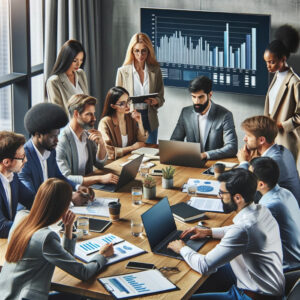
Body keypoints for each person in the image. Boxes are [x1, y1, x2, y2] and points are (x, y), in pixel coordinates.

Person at [167, 168, 284, 299]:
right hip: (266, 286)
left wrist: (182, 248)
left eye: (222, 193)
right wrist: (209, 232)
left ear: (238, 198)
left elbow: (204, 266)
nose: (219, 196)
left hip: (251, 296)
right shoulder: (261, 210)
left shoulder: (242, 230)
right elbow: (240, 231)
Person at [0, 178, 114, 300]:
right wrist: (102, 255)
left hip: (7, 295)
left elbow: (67, 259)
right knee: (88, 296)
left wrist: (68, 228)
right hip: (25, 297)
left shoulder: (21, 217)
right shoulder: (45, 239)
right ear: (62, 208)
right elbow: (83, 273)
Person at [18, 103, 93, 206]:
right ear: (37, 135)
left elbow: (58, 176)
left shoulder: (50, 150)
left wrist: (77, 187)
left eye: (58, 135)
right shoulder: (23, 159)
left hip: (51, 209)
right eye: (52, 136)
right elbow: (32, 200)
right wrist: (69, 200)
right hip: (31, 214)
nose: (57, 140)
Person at [250, 156, 300, 271]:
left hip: (287, 269)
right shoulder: (285, 192)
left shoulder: (269, 206)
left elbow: (245, 231)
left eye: (249, 177)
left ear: (261, 185)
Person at [56, 94, 119, 186]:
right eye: (89, 114)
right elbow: (65, 178)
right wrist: (99, 178)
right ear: (76, 114)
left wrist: (101, 143)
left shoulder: (87, 134)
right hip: (72, 191)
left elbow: (100, 164)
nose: (94, 118)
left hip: (88, 187)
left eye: (93, 114)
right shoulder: (61, 141)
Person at [171, 76, 238, 160]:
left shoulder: (225, 115)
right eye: (193, 97)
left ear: (210, 95)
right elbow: (174, 140)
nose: (196, 102)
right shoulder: (185, 112)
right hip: (192, 163)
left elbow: (232, 147)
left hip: (213, 162)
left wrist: (205, 155)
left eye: (200, 97)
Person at [238, 115, 300, 205]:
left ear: (262, 140)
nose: (244, 139)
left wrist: (243, 162)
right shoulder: (282, 150)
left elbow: (245, 191)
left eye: (248, 136)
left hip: (279, 212)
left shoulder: (272, 162)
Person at [116, 32, 164, 144]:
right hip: (130, 118)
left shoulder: (155, 70)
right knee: (132, 154)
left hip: (150, 119)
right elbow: (117, 100)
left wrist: (156, 101)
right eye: (136, 51)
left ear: (148, 51)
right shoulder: (123, 72)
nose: (140, 55)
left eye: (144, 51)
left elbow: (161, 97)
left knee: (150, 153)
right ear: (132, 51)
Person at [263, 25, 300, 172]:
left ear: (283, 59)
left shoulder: (295, 82)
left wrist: (281, 125)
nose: (268, 66)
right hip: (272, 138)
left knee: (286, 179)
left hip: (286, 140)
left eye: (271, 62)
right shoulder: (277, 77)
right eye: (266, 62)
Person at [99, 86, 148, 159]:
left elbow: (141, 142)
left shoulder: (130, 118)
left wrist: (140, 122)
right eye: (122, 103)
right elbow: (109, 152)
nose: (127, 106)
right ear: (113, 106)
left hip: (129, 159)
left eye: (128, 101)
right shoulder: (105, 122)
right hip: (113, 163)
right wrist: (132, 148)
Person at [0, 131, 33, 238]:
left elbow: (32, 200)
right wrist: (35, 225)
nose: (26, 160)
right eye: (22, 157)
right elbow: (2, 227)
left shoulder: (13, 178)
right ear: (6, 162)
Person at [46, 39, 89, 118]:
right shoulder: (54, 81)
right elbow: (58, 113)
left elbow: (87, 103)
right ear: (67, 58)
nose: (78, 64)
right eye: (75, 60)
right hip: (68, 127)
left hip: (85, 124)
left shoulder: (81, 74)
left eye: (81, 60)